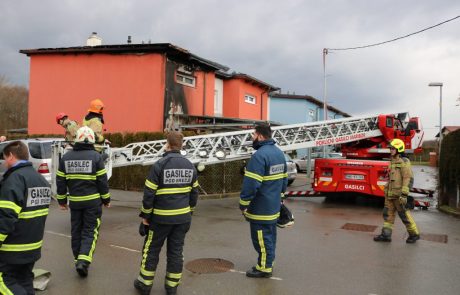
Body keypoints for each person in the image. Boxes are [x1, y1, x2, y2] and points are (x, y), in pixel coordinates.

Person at [134, 131, 199, 295]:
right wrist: (189, 212)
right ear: (181, 145)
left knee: (151, 250)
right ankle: (171, 287)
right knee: (176, 252)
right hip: (182, 219)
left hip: (160, 218)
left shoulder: (159, 165)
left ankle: (145, 284)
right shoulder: (190, 165)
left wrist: (145, 217)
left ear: (167, 144)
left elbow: (149, 194)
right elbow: (194, 194)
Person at [56, 126, 110, 277]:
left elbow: (60, 180)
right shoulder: (96, 157)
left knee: (76, 231)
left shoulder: (66, 158)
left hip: (75, 202)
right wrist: (106, 199)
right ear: (92, 139)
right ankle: (83, 261)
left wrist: (62, 200)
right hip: (93, 202)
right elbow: (102, 181)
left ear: (76, 139)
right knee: (89, 231)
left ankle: (78, 259)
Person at [0, 141, 51, 294]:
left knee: (5, 282)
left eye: (4, 158)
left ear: (10, 156)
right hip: (33, 247)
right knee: (24, 280)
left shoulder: (15, 180)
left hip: (13, 248)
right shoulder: (41, 180)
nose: (3, 163)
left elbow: (6, 217)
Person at [239, 124, 288, 278]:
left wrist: (243, 203)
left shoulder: (259, 156)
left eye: (253, 134)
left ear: (260, 136)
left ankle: (264, 268)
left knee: (261, 238)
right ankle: (268, 262)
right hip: (273, 207)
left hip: (260, 208)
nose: (252, 138)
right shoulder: (279, 153)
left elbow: (252, 184)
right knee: (270, 237)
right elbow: (284, 180)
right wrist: (280, 198)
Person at [374, 138, 420, 243]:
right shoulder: (392, 161)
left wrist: (404, 194)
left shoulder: (404, 162)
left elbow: (408, 178)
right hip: (390, 195)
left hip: (399, 195)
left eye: (393, 149)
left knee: (404, 216)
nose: (391, 150)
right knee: (387, 215)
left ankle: (414, 234)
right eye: (390, 148)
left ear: (399, 149)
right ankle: (386, 235)